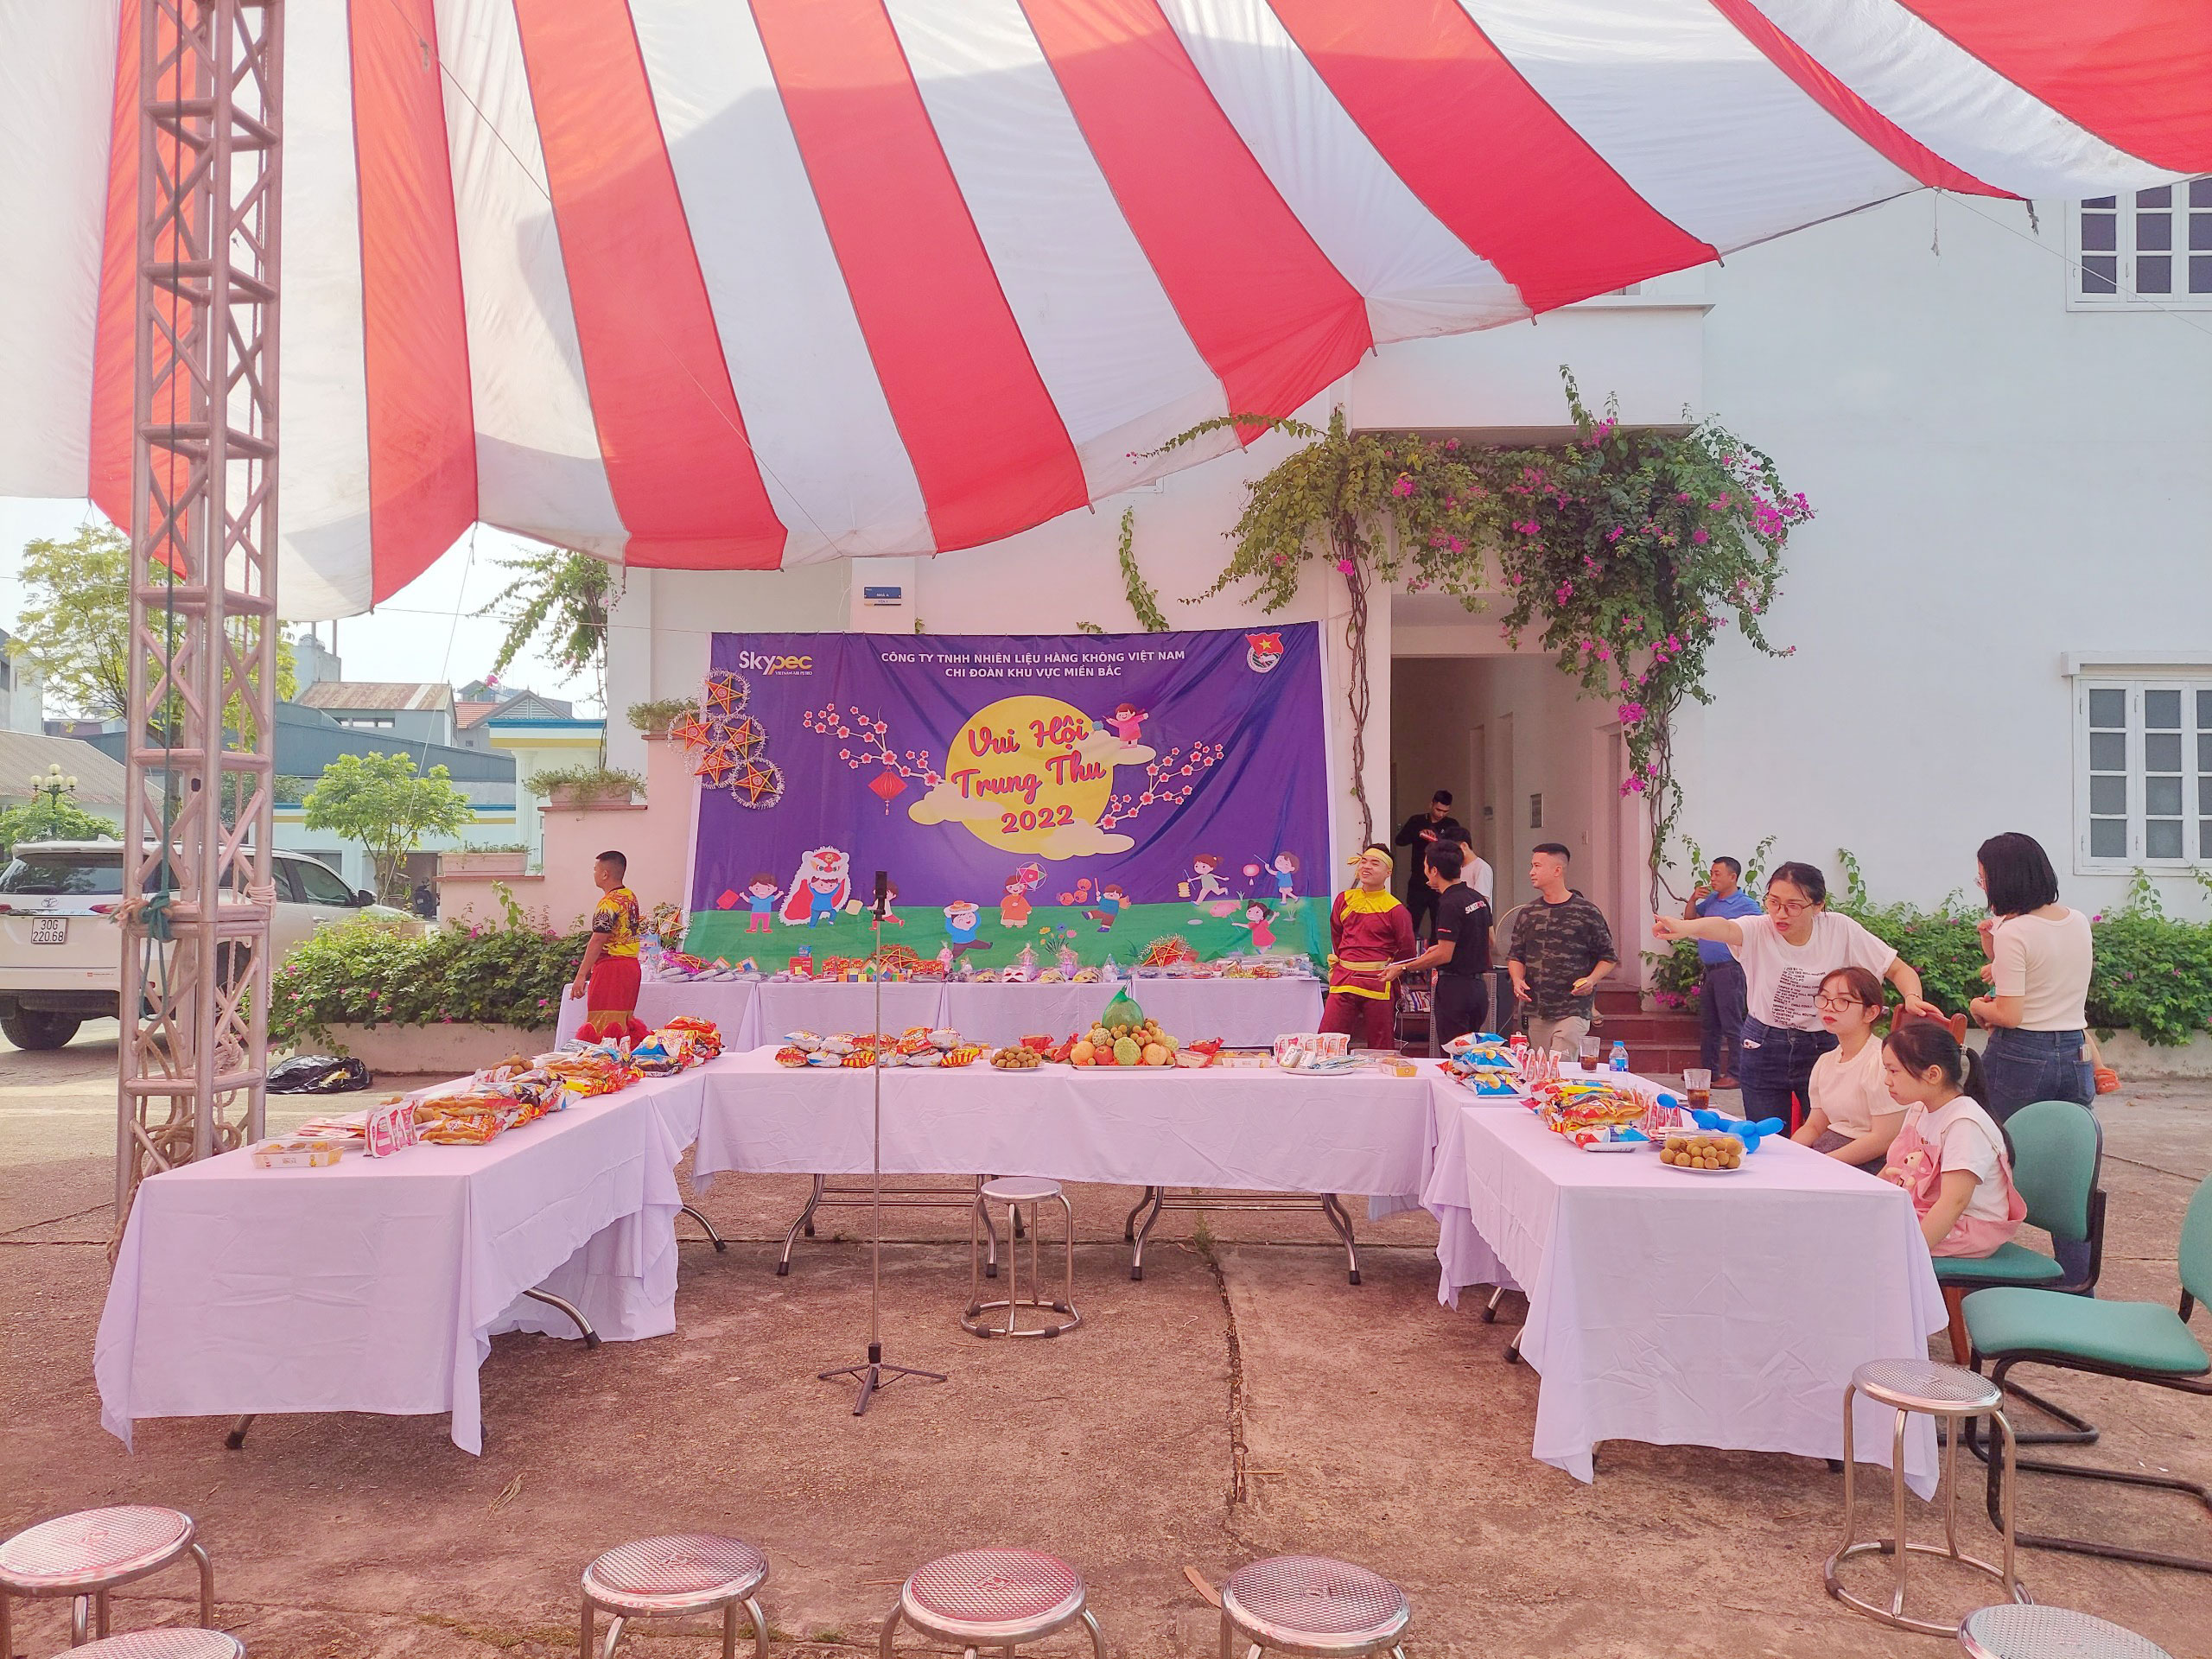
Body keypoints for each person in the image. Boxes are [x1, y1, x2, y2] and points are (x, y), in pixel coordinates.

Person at [1654, 860, 1934, 1131]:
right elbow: (1725, 927)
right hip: (1763, 1044)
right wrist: (1684, 927)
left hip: (1822, 1045)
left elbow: (1897, 968)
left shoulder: (1839, 929)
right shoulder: (1759, 929)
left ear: (1818, 905)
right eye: (1773, 902)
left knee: (1824, 1135)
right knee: (1767, 1137)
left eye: (1793, 906)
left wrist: (1912, 997)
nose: (1780, 914)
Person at [1969, 831, 2094, 1122]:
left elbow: (2009, 1015)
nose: (1983, 887)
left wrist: (1977, 1006)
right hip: (2076, 1050)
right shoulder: (2077, 920)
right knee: (2065, 1139)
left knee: (1998, 1136)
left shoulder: (2014, 932)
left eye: (1983, 879)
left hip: (2022, 1052)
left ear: (2003, 881)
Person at [1878, 1020, 2024, 1258]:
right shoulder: (1919, 1108)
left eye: (1893, 1071)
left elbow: (1953, 1204)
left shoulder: (1964, 1123)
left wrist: (1909, 1254)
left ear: (1933, 1074)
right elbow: (1891, 1170)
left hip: (1965, 1228)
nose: (1887, 1080)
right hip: (1925, 1212)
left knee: (1869, 1244)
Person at [1507, 843, 1618, 1055]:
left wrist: (1591, 980)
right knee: (1542, 1067)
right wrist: (1517, 979)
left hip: (1572, 1007)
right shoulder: (1528, 913)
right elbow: (1516, 955)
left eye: (1537, 866)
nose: (1531, 872)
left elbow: (1608, 956)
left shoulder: (1586, 912)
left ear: (1557, 870)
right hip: (1537, 1007)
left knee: (1561, 1064)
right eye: (1532, 866)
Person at [1790, 966, 1903, 1170]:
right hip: (1828, 1152)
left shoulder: (1881, 1062)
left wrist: (1820, 1164)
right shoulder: (1825, 1061)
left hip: (1870, 1164)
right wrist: (1787, 1154)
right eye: (1824, 998)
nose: (1829, 1007)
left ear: (1871, 1012)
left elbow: (1884, 1139)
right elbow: (1815, 1125)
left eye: (1844, 1001)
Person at [1321, 843, 1418, 1052]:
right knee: (1328, 1039)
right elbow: (1337, 935)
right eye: (1364, 861)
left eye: (1375, 863)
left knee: (1381, 1045)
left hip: (1379, 981)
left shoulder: (1396, 909)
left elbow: (1407, 950)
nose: (1366, 866)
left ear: (1388, 872)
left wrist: (1393, 970)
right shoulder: (1344, 900)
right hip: (1344, 978)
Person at [1396, 841, 1493, 1049]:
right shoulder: (1477, 898)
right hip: (1478, 990)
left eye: (1425, 866)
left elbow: (1444, 955)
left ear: (1434, 871)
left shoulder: (1449, 903)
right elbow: (1490, 940)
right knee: (1471, 1055)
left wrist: (1403, 967)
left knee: (1454, 1054)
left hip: (1455, 990)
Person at [1683, 855, 1759, 1085]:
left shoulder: (1746, 904)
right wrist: (1693, 899)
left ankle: (1736, 1074)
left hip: (1730, 970)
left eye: (1717, 874)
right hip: (1710, 971)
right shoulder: (1712, 900)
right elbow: (1689, 920)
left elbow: (1761, 931)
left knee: (1732, 1024)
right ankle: (1709, 1072)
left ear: (1732, 877)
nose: (1712, 878)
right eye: (1711, 873)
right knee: (1709, 1025)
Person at [569, 849, 641, 1039]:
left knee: (603, 1025)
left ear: (605, 874)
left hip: (612, 968)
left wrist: (581, 975)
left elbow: (598, 939)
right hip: (631, 966)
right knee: (623, 1024)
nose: (594, 873)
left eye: (595, 869)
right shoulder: (630, 897)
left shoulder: (608, 903)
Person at [1393, 791, 1466, 939]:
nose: (1441, 814)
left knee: (1439, 921)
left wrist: (1438, 839)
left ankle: (1437, 950)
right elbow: (1399, 841)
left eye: (1445, 811)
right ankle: (1409, 949)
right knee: (1412, 919)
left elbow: (1456, 849)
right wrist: (1418, 833)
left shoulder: (1451, 824)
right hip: (1418, 879)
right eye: (1438, 810)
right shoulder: (1417, 820)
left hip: (1441, 880)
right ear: (1431, 804)